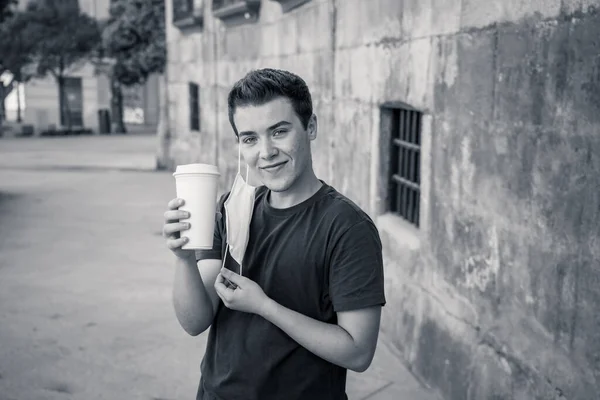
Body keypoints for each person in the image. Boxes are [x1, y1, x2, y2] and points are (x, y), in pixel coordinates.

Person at [162, 68, 386, 400]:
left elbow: (358, 352)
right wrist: (183, 258)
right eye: (249, 138)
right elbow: (195, 321)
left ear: (310, 127)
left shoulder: (347, 228)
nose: (265, 152)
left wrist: (265, 306)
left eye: (279, 132)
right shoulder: (233, 208)